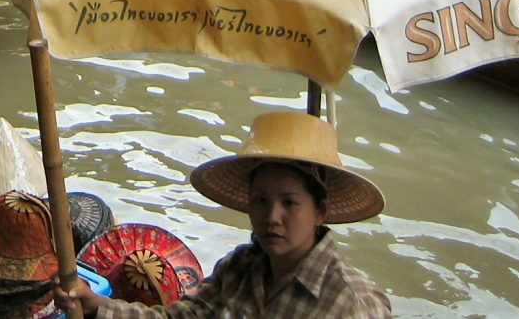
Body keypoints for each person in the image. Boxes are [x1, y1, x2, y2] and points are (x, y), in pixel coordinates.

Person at [55, 111, 391, 318]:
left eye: (289, 203)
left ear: (320, 212)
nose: (272, 216)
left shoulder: (352, 302)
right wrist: (96, 305)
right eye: (260, 200)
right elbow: (183, 318)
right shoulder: (243, 266)